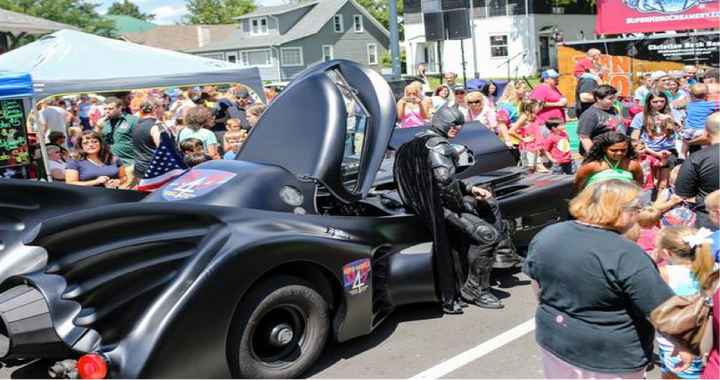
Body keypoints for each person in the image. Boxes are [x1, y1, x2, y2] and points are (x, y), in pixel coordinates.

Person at [523, 179, 676, 380]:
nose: (639, 215)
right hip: (608, 357)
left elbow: (538, 287)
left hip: (555, 339)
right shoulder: (627, 253)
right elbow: (662, 311)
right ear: (618, 210)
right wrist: (684, 346)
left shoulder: (548, 234)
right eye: (637, 209)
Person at [394, 107, 518, 313]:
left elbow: (438, 180)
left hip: (425, 203)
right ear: (442, 122)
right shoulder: (440, 147)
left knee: (490, 204)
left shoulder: (418, 140)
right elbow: (444, 182)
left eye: (459, 124)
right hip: (437, 207)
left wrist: (470, 188)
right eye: (453, 124)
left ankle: (502, 255)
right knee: (487, 235)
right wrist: (464, 204)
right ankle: (476, 289)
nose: (457, 128)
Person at [655, 226, 715, 380]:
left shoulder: (664, 274)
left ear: (667, 253)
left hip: (675, 341)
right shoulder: (716, 271)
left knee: (673, 374)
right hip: (708, 340)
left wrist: (654, 261)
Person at [675, 112, 720, 230]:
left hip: (709, 222)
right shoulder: (695, 159)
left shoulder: (696, 158)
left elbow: (683, 193)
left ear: (705, 133)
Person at [629, 90, 682, 190]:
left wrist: (670, 119)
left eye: (662, 101)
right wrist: (650, 151)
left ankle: (659, 202)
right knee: (648, 182)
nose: (659, 104)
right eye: (655, 102)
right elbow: (635, 138)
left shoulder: (673, 113)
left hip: (668, 150)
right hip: (648, 150)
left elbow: (681, 131)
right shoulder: (641, 116)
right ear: (649, 103)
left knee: (663, 184)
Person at [574, 132, 644, 190]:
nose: (619, 153)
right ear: (604, 149)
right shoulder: (591, 166)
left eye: (623, 150)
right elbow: (577, 185)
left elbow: (638, 186)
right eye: (613, 150)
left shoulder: (633, 165)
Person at [96, 96, 138, 189]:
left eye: (110, 108)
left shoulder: (132, 120)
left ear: (120, 107)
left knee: (124, 192)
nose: (107, 111)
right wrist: (98, 128)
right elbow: (95, 140)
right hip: (108, 164)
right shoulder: (103, 122)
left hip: (128, 163)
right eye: (105, 109)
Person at [577, 84, 626, 156]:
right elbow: (584, 138)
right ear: (598, 99)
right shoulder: (589, 115)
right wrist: (593, 155)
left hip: (616, 151)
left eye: (614, 98)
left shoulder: (613, 109)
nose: (614, 101)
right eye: (610, 98)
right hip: (601, 154)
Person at [132, 97, 169, 181]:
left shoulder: (136, 124)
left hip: (140, 170)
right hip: (156, 171)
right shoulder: (157, 125)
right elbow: (165, 149)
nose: (164, 107)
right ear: (156, 108)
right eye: (162, 105)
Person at [509, 99, 548, 173]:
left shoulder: (532, 116)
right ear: (531, 107)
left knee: (533, 169)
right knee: (528, 169)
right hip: (528, 148)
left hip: (534, 146)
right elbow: (511, 131)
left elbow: (540, 107)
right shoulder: (524, 117)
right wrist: (523, 139)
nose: (539, 108)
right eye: (537, 106)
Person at [497, 80, 529, 152]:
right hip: (512, 141)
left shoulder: (522, 102)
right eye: (524, 88)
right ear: (515, 89)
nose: (526, 90)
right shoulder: (506, 105)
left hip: (522, 139)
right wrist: (507, 140)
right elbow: (502, 124)